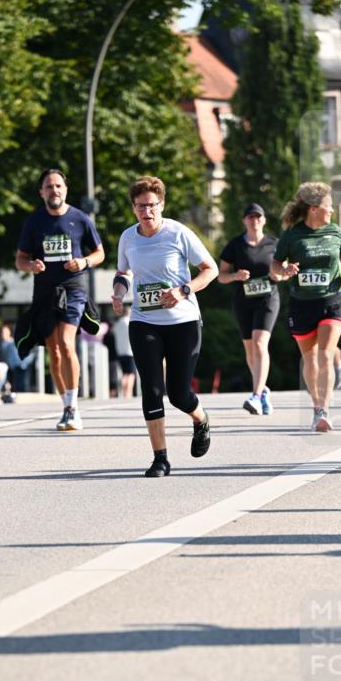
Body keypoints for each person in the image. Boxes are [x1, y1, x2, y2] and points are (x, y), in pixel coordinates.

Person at [111, 176, 218, 477]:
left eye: (152, 205)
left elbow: (209, 270)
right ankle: (160, 458)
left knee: (179, 394)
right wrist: (118, 293)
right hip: (144, 321)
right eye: (140, 206)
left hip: (183, 322)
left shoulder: (178, 233)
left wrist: (183, 290)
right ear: (133, 208)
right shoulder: (128, 238)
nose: (147, 211)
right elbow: (124, 272)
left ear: (162, 205)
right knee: (151, 389)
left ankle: (200, 419)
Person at [15, 168, 104, 431]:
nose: (54, 190)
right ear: (41, 192)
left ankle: (74, 408)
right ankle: (65, 406)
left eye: (58, 186)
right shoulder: (34, 222)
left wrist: (84, 262)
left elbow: (99, 253)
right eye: (49, 186)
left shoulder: (80, 218)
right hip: (44, 292)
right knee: (53, 352)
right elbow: (20, 259)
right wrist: (31, 266)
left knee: (66, 343)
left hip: (73, 289)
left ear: (65, 190)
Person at [270, 182, 341, 432]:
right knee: (310, 359)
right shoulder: (292, 235)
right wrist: (284, 270)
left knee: (325, 354)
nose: (332, 210)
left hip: (332, 300)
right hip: (302, 304)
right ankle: (316, 407)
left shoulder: (335, 231)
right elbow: (275, 264)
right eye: (329, 206)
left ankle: (325, 410)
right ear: (314, 209)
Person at [218, 202, 279, 416]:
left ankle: (255, 395)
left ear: (264, 220)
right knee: (250, 349)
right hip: (243, 301)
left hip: (268, 299)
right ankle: (263, 391)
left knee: (260, 343)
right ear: (244, 221)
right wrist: (235, 275)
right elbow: (221, 276)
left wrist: (281, 274)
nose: (254, 220)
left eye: (258, 216)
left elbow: (282, 271)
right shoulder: (235, 245)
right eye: (250, 217)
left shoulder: (274, 244)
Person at [112, 307, 137, 397]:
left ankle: (124, 393)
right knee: (131, 374)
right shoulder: (129, 323)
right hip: (130, 351)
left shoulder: (117, 323)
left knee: (124, 374)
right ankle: (128, 393)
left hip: (120, 351)